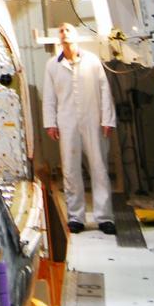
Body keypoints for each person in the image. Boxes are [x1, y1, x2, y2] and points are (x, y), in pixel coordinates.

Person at [42, 23, 117, 235]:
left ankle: (104, 217)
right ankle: (76, 217)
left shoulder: (92, 60)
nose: (64, 33)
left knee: (99, 168)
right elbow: (49, 96)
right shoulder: (52, 65)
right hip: (67, 121)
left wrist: (108, 119)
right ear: (58, 38)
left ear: (76, 35)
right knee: (70, 169)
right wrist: (50, 123)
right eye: (61, 31)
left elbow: (104, 89)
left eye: (68, 30)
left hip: (93, 119)